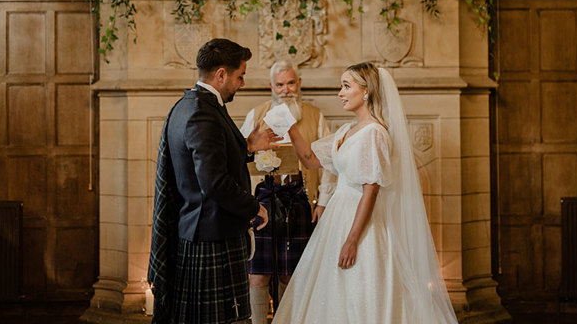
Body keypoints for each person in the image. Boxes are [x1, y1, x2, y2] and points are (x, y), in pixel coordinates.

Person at [272, 62, 459, 324]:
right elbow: (310, 158)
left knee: (362, 290)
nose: (340, 93)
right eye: (341, 86)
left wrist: (352, 240)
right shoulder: (348, 130)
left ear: (367, 91)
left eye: (346, 86)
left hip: (361, 224)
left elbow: (370, 191)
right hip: (337, 217)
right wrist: (290, 127)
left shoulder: (374, 133)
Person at [148, 38, 279, 324]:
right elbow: (214, 182)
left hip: (203, 230)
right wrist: (253, 207)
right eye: (240, 76)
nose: (241, 83)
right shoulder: (202, 114)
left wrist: (246, 146)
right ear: (221, 74)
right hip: (212, 234)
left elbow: (208, 160)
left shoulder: (188, 105)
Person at [239, 60, 336, 324]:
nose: (285, 90)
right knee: (258, 274)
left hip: (301, 199)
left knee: (289, 273)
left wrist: (323, 202)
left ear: (299, 83)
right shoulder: (256, 115)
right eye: (280, 84)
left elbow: (328, 163)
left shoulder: (316, 116)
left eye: (290, 83)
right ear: (271, 86)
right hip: (263, 200)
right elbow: (239, 159)